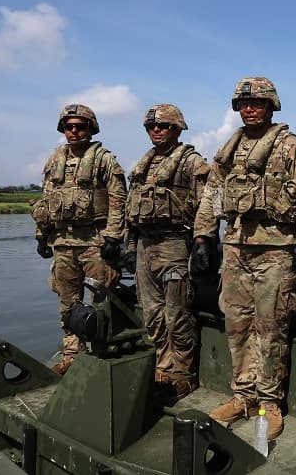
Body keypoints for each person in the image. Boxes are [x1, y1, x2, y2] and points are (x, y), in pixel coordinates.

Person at [192, 77, 296, 441]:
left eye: (258, 103)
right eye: (244, 103)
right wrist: (203, 237)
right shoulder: (229, 149)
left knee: (271, 327)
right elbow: (212, 193)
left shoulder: (291, 147)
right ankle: (243, 395)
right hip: (236, 247)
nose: (250, 109)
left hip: (276, 249)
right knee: (236, 323)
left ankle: (268, 402)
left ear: (271, 107)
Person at [31, 104, 127, 375]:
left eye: (80, 126)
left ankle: (103, 351)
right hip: (63, 242)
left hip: (95, 243)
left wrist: (112, 237)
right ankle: (73, 353)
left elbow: (118, 200)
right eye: (70, 126)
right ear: (63, 129)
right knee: (67, 301)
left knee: (102, 300)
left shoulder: (104, 160)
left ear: (90, 129)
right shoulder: (54, 161)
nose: (74, 131)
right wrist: (42, 235)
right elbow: (47, 201)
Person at [125, 104, 211, 403]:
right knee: (153, 315)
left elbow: (206, 206)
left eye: (162, 125)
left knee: (177, 315)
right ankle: (164, 368)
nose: (156, 130)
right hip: (145, 246)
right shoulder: (143, 166)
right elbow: (131, 208)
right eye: (151, 126)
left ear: (176, 128)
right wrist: (128, 244)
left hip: (175, 243)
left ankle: (183, 375)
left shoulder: (192, 163)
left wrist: (203, 242)